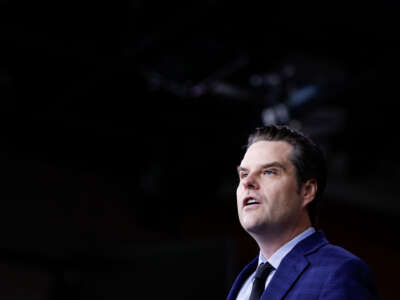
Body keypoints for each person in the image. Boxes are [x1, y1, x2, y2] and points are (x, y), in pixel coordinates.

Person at [227, 125, 379, 300]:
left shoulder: (341, 272)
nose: (248, 182)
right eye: (244, 174)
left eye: (269, 172)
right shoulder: (244, 281)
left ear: (307, 191)